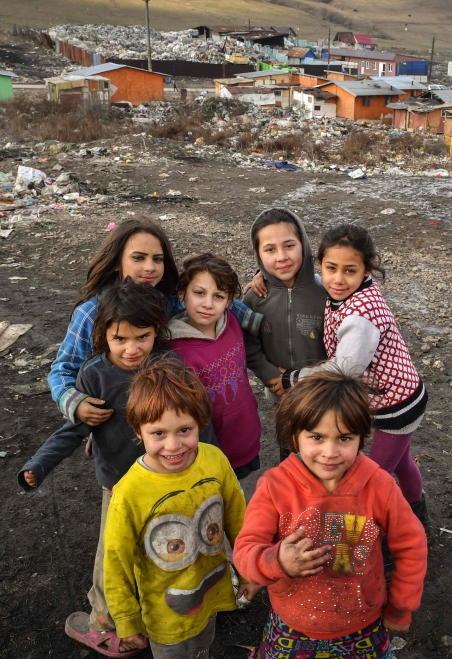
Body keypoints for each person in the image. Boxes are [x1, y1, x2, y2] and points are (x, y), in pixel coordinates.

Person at [20, 280, 217, 657]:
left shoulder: (168, 366)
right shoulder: (94, 376)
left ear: (156, 332)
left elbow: (198, 420)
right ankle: (107, 626)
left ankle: (168, 617)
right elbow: (74, 430)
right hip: (119, 490)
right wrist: (40, 464)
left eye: (142, 337)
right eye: (119, 338)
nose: (132, 349)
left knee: (166, 553)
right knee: (112, 560)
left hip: (167, 486)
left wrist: (212, 471)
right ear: (103, 335)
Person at [233, 371, 427, 659]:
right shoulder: (275, 486)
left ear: (362, 437)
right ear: (294, 436)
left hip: (364, 623)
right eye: (317, 437)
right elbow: (246, 551)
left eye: (344, 438)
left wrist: (401, 606)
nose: (330, 451)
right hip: (291, 625)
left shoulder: (378, 484)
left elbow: (411, 544)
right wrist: (276, 561)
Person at [103, 356, 260, 659]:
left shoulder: (214, 460)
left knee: (203, 646)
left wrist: (250, 570)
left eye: (184, 430)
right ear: (139, 431)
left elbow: (239, 520)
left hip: (211, 591)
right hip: (164, 614)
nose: (173, 446)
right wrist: (126, 619)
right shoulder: (129, 493)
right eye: (158, 433)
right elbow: (116, 561)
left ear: (199, 423)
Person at [48, 217, 262, 427]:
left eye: (157, 259)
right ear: (115, 263)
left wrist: (260, 319)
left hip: (169, 419)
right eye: (139, 258)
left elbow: (216, 298)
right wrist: (75, 402)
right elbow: (64, 368)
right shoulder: (92, 313)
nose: (150, 267)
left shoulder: (168, 299)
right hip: (119, 420)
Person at [283, 224, 429, 526]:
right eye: (330, 268)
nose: (337, 279)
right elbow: (317, 280)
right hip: (401, 393)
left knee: (370, 480)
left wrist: (294, 379)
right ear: (321, 264)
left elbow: (344, 368)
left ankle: (386, 544)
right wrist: (267, 279)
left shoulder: (361, 316)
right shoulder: (345, 286)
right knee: (402, 464)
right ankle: (418, 513)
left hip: (395, 406)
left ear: (365, 271)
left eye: (349, 270)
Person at [167, 253, 263, 488]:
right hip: (210, 452)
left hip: (246, 437)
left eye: (218, 296)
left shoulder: (231, 322)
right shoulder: (173, 350)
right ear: (182, 294)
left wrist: (260, 277)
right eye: (199, 293)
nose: (208, 304)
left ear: (229, 301)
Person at [242, 207, 327, 400]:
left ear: (303, 244)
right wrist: (271, 375)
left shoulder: (326, 294)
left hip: (322, 391)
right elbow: (249, 345)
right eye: (270, 249)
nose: (281, 257)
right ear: (258, 254)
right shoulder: (253, 298)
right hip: (278, 389)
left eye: (289, 245)